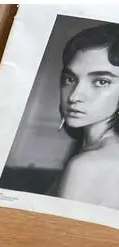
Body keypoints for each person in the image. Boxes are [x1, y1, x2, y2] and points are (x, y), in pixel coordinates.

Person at [56, 23, 119, 208]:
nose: (74, 96)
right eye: (70, 79)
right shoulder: (90, 151)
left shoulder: (86, 166)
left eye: (101, 82)